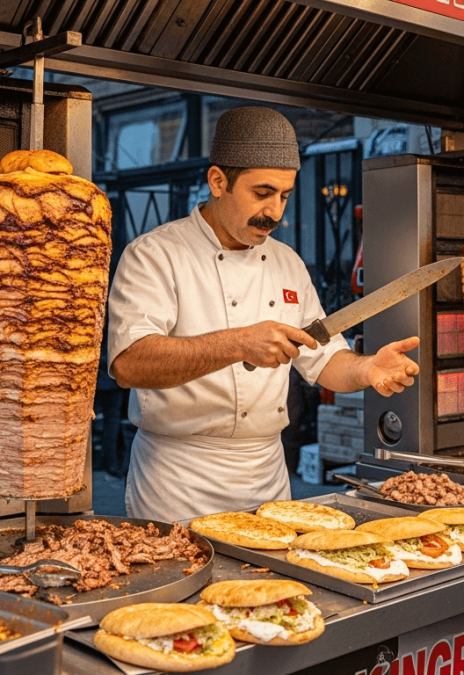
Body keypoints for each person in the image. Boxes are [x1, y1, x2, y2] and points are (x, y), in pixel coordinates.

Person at [108, 106, 420, 522]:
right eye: (262, 193)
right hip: (178, 483)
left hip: (267, 479)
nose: (275, 212)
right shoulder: (154, 255)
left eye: (285, 196)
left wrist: (367, 370)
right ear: (218, 181)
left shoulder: (287, 262)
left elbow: (323, 359)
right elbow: (130, 363)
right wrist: (239, 342)